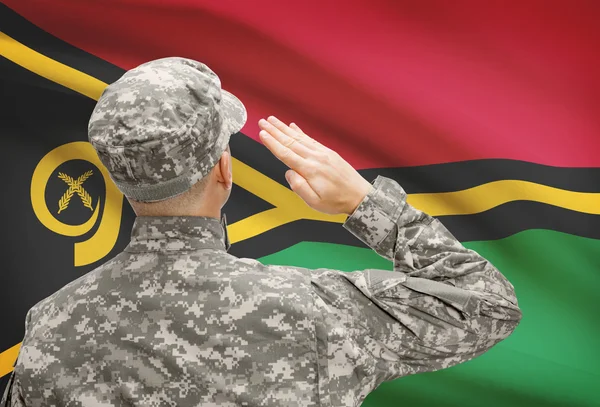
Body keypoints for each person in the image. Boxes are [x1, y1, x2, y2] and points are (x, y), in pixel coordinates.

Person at [2, 57, 522, 407]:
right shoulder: (318, 311)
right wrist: (365, 204)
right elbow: (488, 305)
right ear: (224, 170)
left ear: (120, 178)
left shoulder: (50, 326)